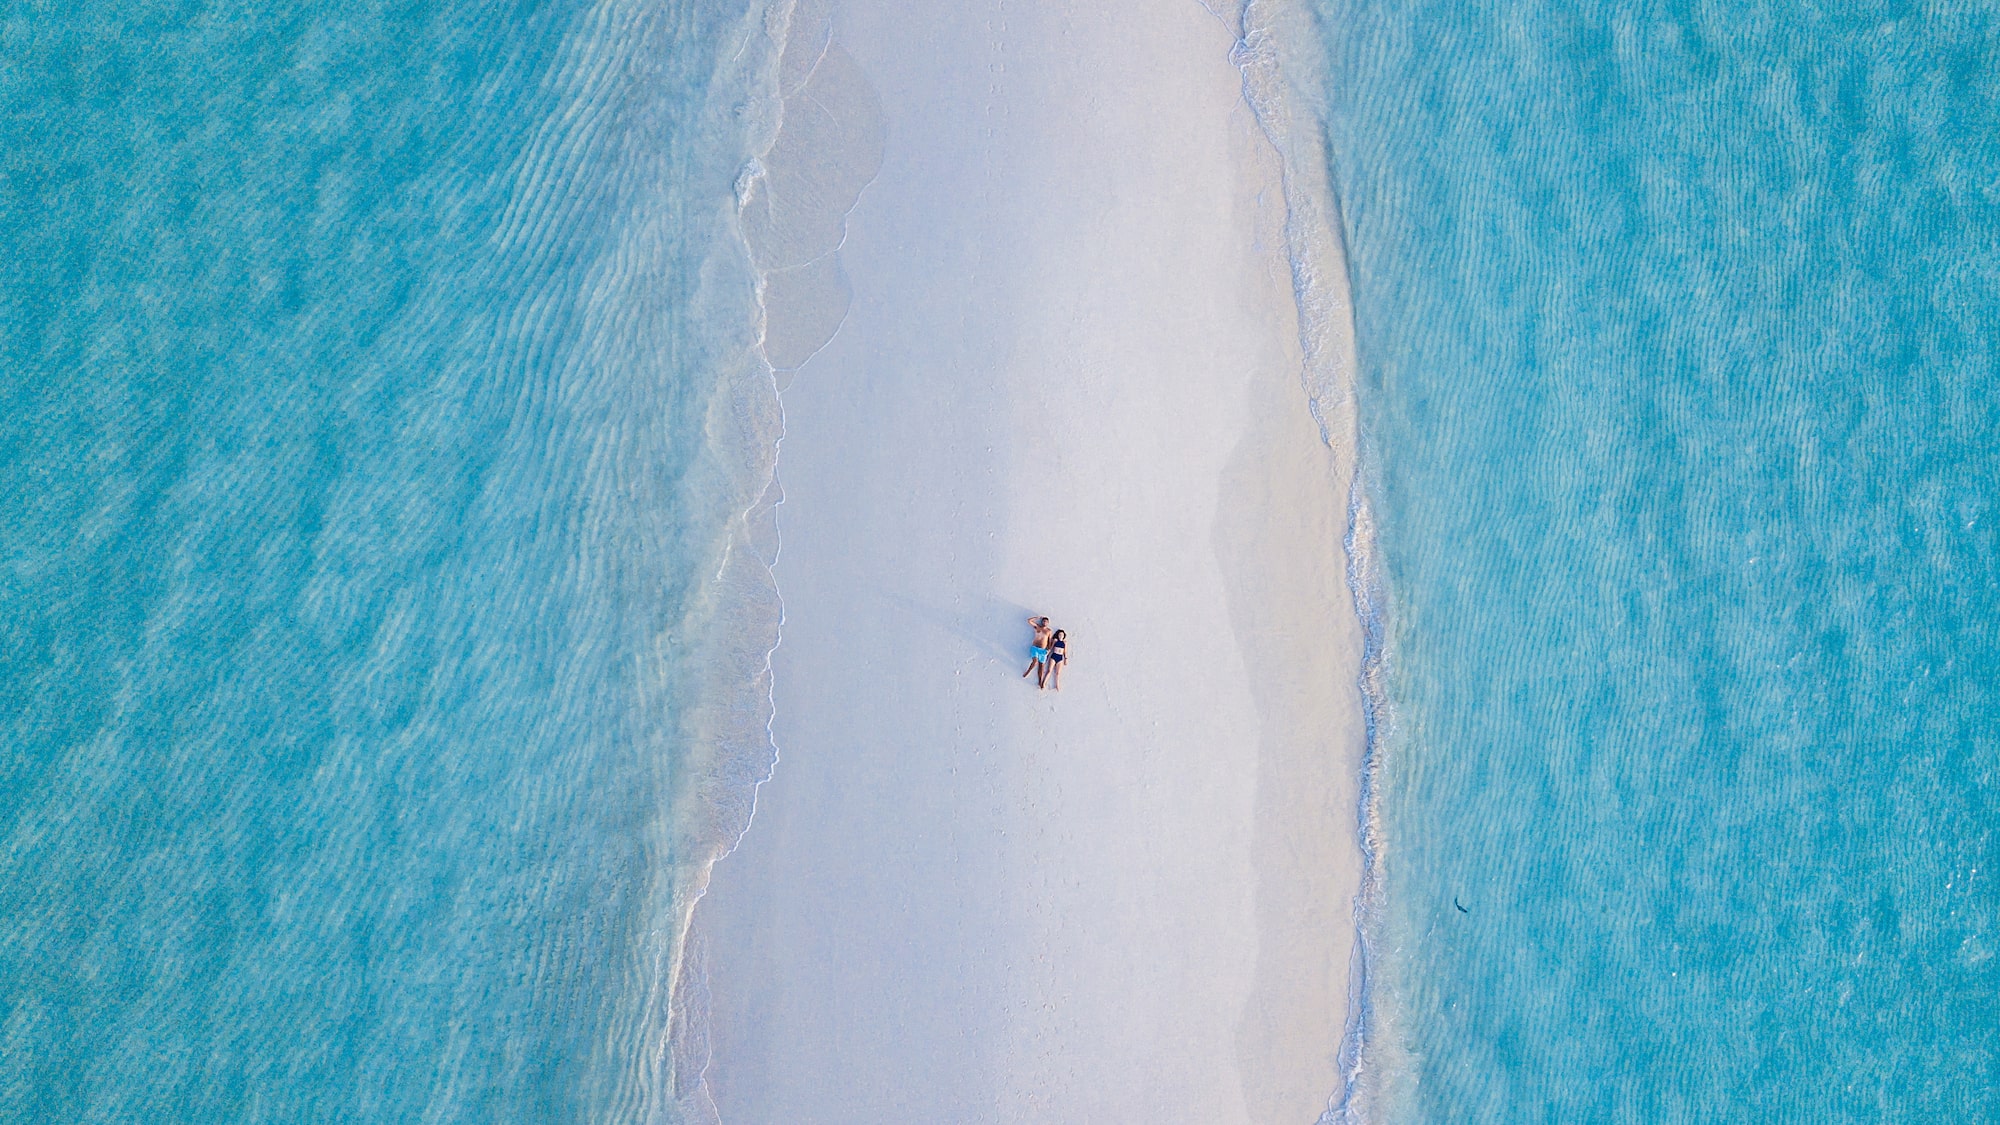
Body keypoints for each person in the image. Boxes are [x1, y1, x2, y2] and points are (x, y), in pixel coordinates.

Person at [1023, 616, 1052, 687]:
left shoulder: (1049, 631)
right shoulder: (1037, 627)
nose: (1045, 622)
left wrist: (1048, 649)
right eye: (1043, 621)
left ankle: (1040, 680)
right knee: (1035, 661)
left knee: (1041, 666)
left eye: (1046, 621)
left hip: (1043, 650)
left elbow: (1049, 641)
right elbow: (1029, 620)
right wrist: (1037, 617)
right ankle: (1028, 671)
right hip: (1035, 648)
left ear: (1048, 623)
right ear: (1042, 622)